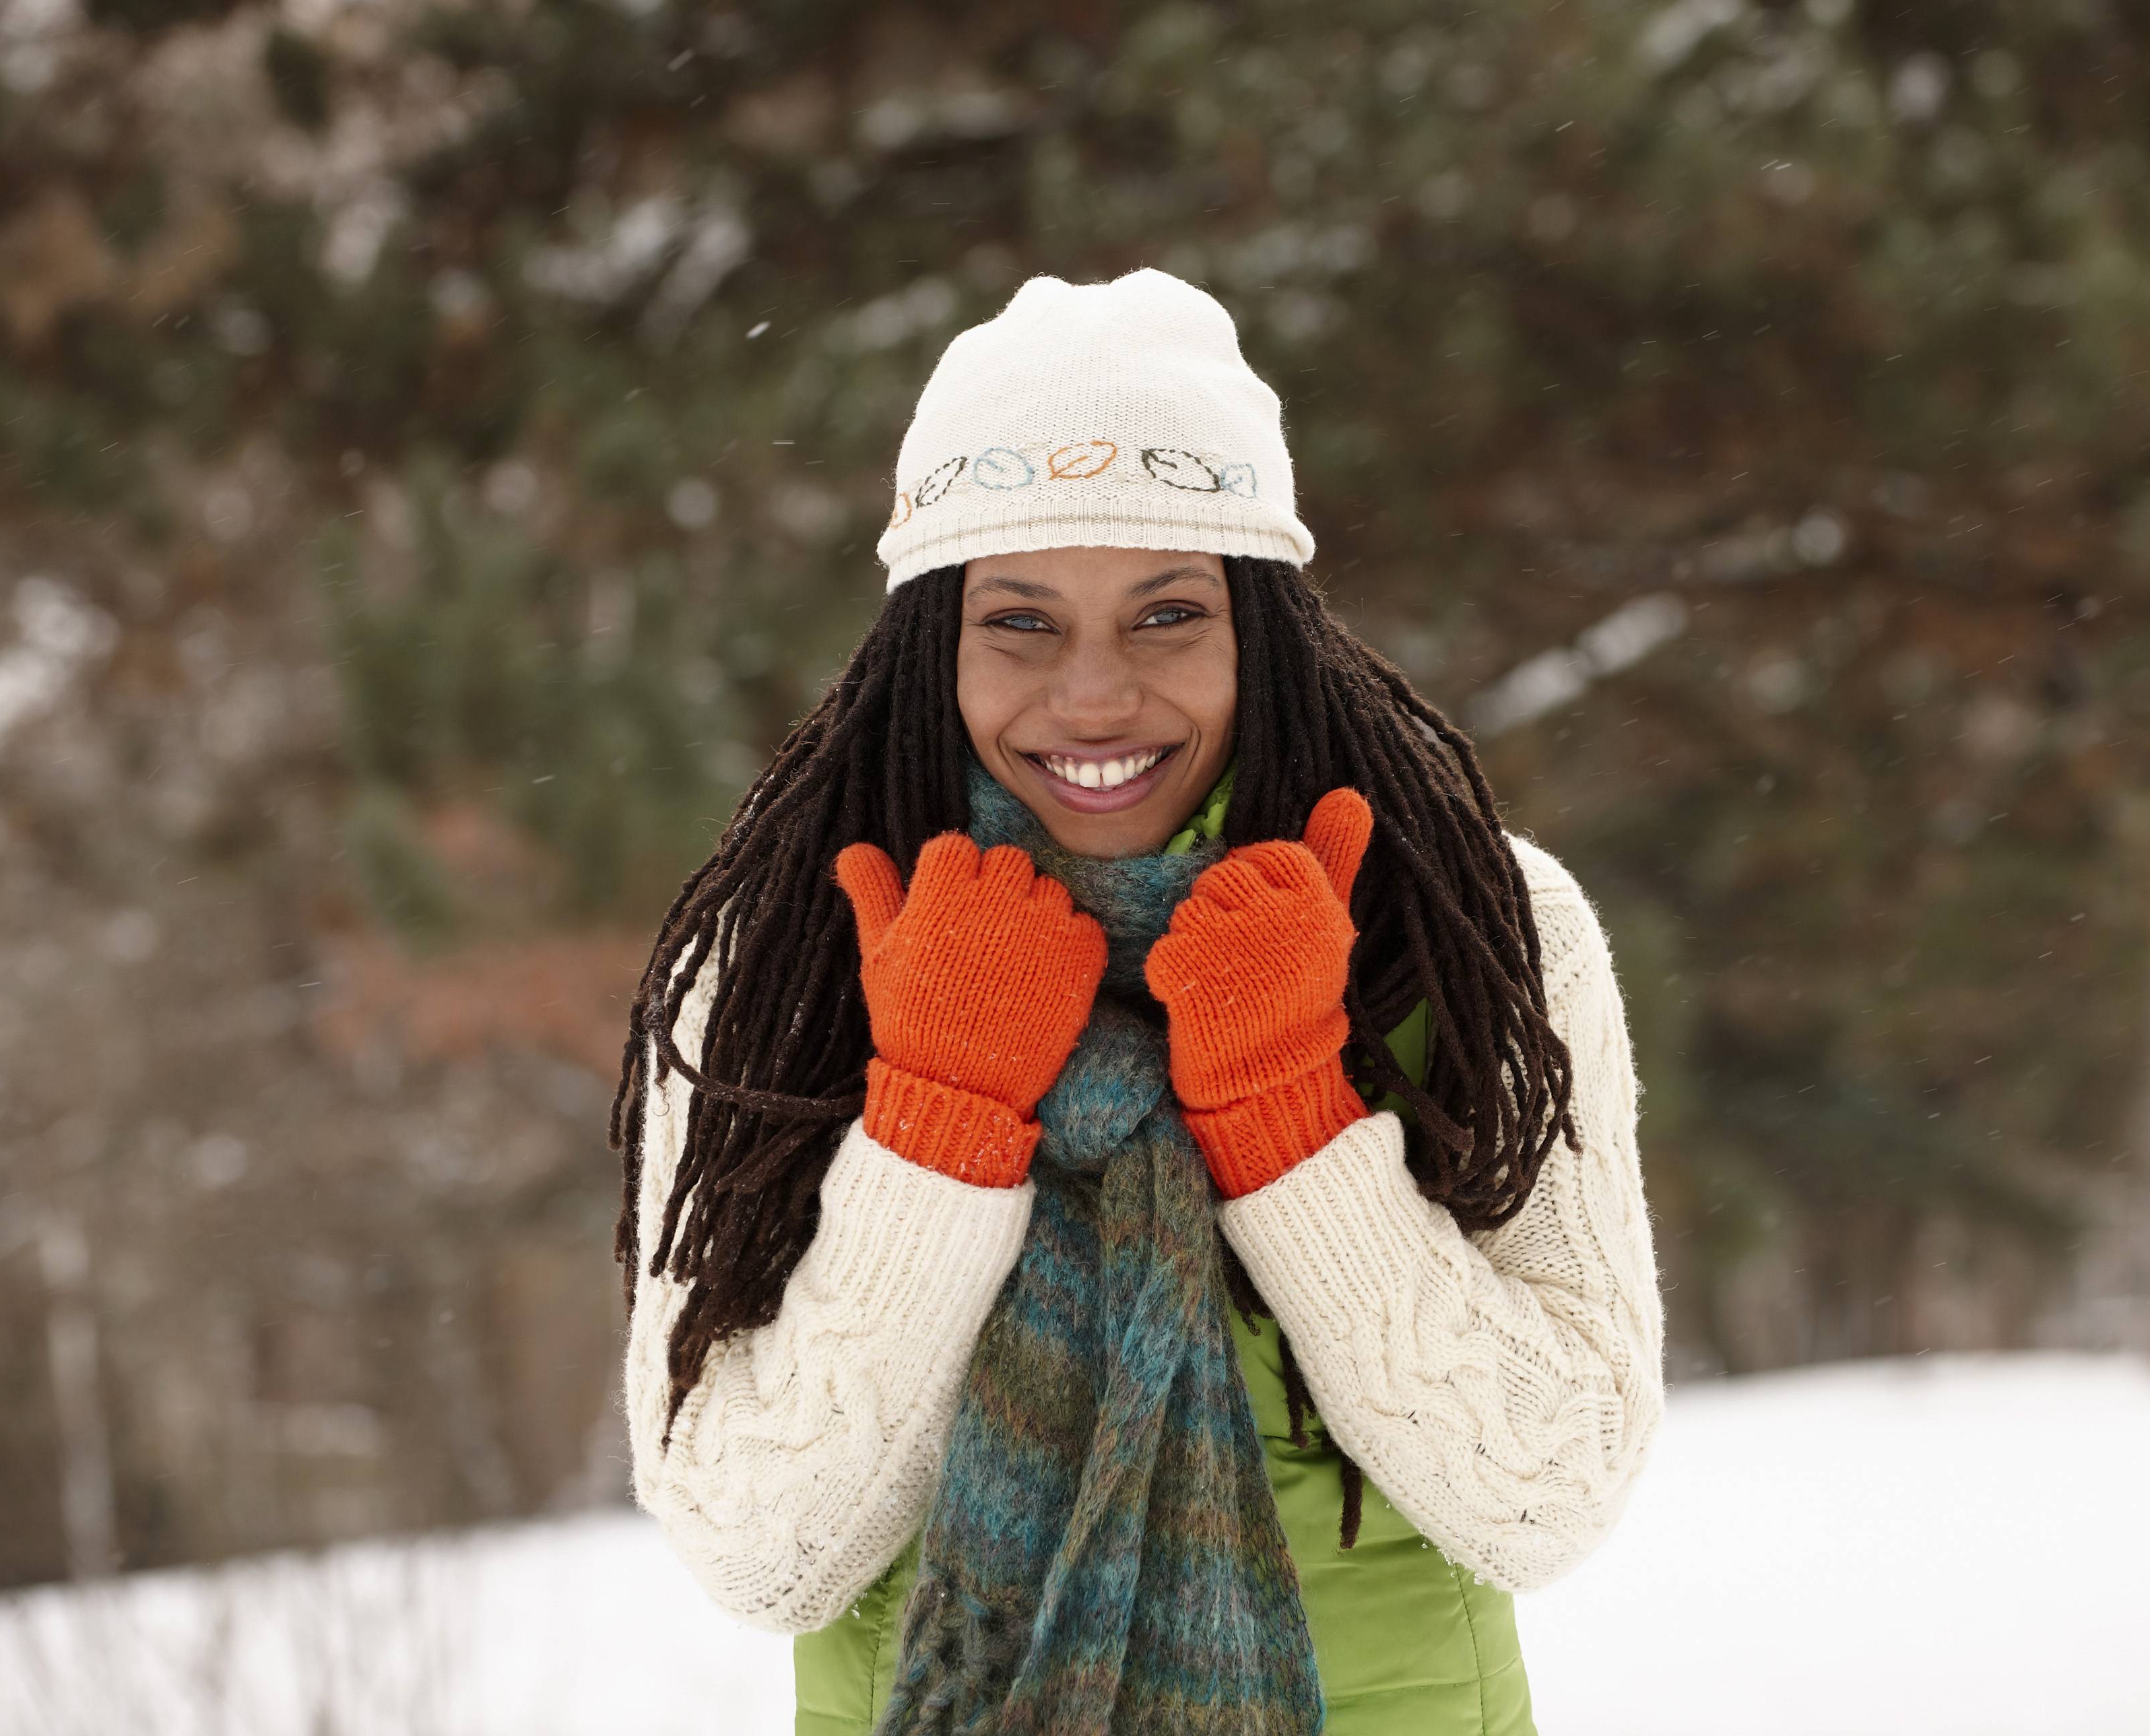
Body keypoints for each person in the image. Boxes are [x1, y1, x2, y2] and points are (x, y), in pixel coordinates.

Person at [608, 268, 1665, 1736]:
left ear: (1263, 631)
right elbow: (762, 1547)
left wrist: (1292, 1120)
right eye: (1020, 620)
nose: (1092, 696)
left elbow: (1545, 1498)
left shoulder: (1469, 928)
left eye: (1166, 612)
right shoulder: (785, 963)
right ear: (931, 647)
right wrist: (936, 1120)